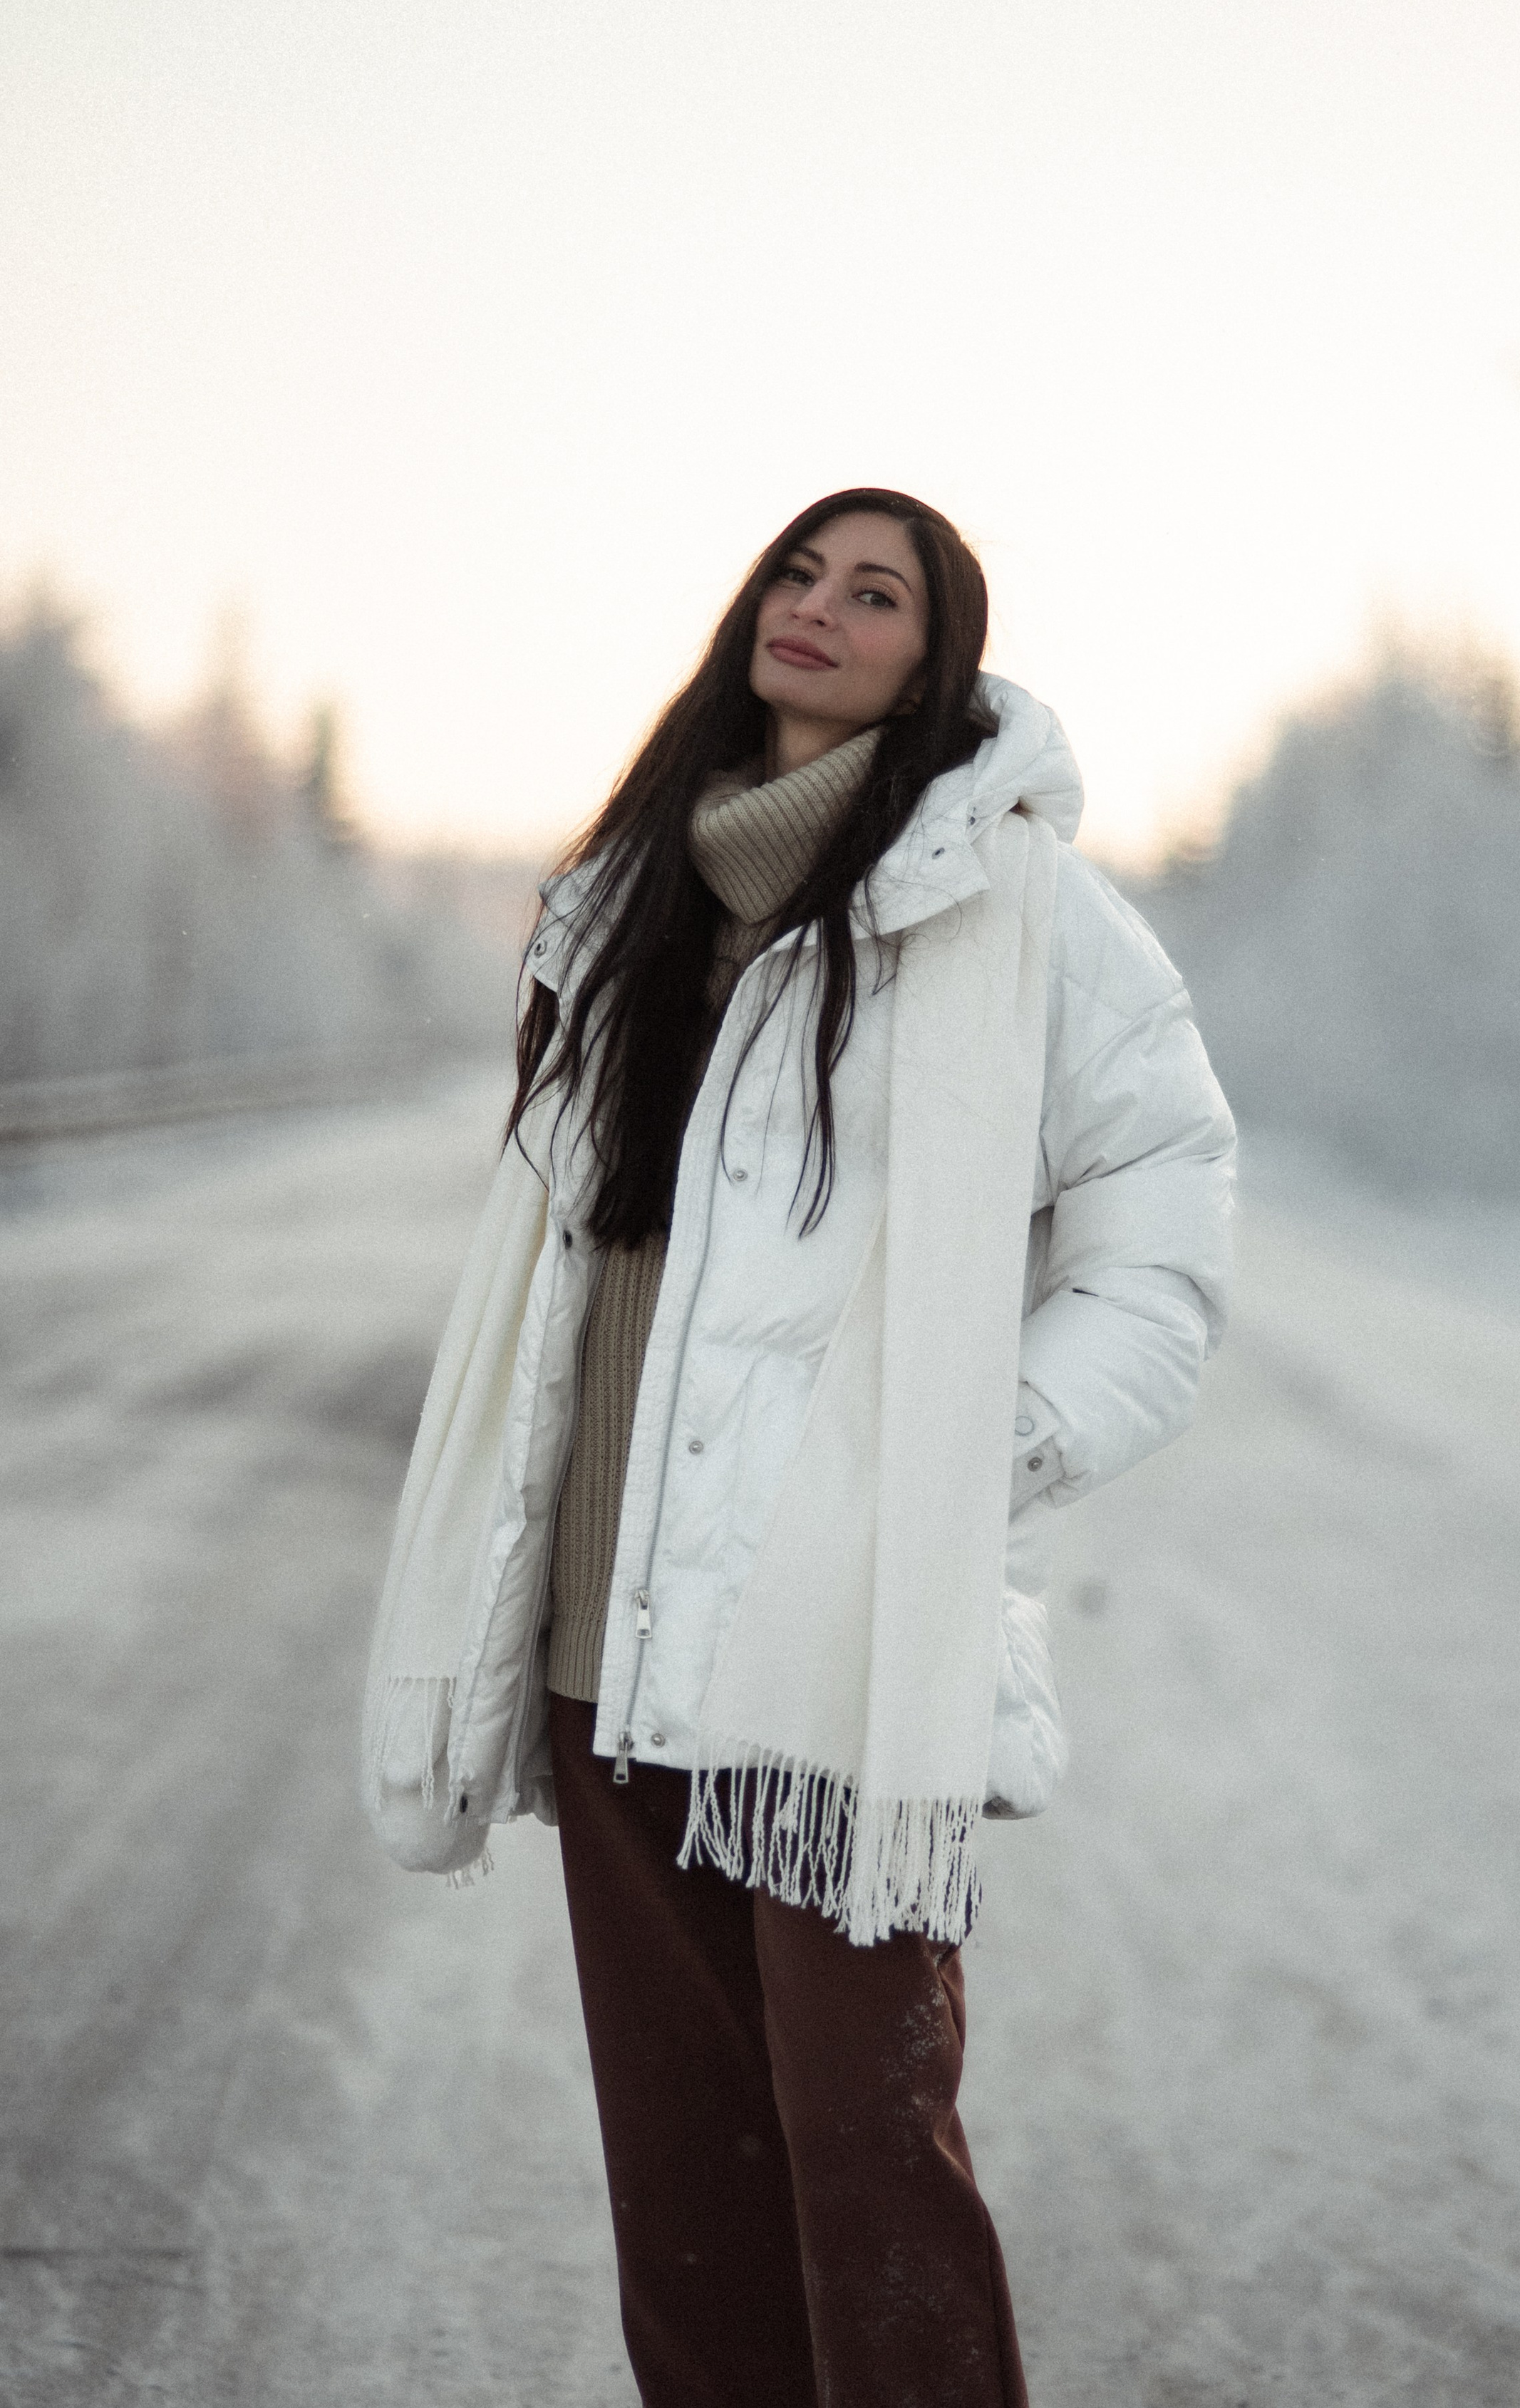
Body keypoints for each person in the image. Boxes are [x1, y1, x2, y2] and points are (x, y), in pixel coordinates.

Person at [361, 487, 1236, 2407]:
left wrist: (962, 1453)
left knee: (872, 2178)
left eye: (877, 592)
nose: (820, 609)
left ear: (939, 659)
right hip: (603, 1639)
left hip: (836, 1653)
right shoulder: (625, 904)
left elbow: (1165, 1239)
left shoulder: (1014, 905)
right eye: (798, 571)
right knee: (686, 2197)